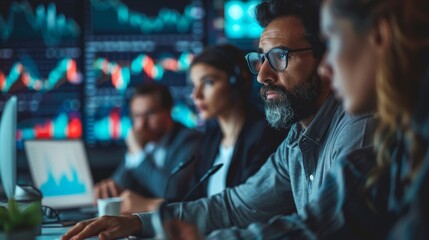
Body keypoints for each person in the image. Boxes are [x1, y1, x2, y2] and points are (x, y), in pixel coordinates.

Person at [61, 0, 376, 239]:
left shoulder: (358, 127)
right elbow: (235, 206)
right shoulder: (295, 140)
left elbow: (322, 227)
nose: (263, 75)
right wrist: (139, 223)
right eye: (261, 60)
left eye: (280, 56)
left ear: (325, 60)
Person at [118, 44, 286, 213]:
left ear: (236, 80)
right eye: (194, 85)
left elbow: (246, 208)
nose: (196, 95)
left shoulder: (264, 136)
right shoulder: (211, 140)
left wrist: (149, 206)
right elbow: (192, 202)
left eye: (207, 82)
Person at [94, 83, 201, 212]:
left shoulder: (189, 139)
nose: (141, 124)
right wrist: (107, 190)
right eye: (136, 116)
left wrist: (138, 153)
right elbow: (120, 186)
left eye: (150, 113)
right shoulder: (143, 140)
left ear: (169, 110)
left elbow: (172, 192)